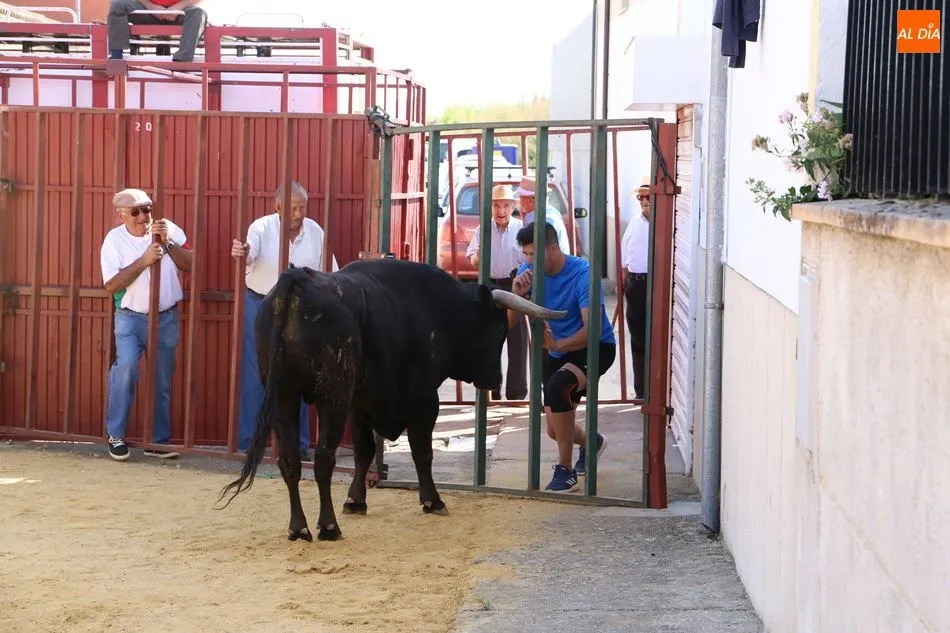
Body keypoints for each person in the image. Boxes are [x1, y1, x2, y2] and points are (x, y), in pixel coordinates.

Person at [231, 180, 339, 460]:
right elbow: (250, 253)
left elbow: (330, 272)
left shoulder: (315, 231)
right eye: (293, 208)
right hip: (261, 304)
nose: (298, 214)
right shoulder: (261, 227)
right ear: (277, 207)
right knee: (257, 374)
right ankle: (250, 444)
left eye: (302, 208)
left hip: (300, 310)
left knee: (299, 374)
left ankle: (297, 446)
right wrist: (243, 252)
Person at [511, 221, 616, 492]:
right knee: (554, 430)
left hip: (594, 347)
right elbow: (510, 322)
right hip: (556, 350)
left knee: (559, 386)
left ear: (554, 249)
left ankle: (565, 470)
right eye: (526, 254)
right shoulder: (527, 273)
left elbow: (592, 330)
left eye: (534, 254)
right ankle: (593, 442)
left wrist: (558, 343)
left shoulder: (582, 274)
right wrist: (516, 296)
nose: (529, 261)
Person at [100, 187, 193, 461]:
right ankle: (116, 434)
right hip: (130, 317)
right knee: (127, 368)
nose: (143, 216)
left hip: (166, 316)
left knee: (161, 378)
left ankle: (157, 441)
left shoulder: (167, 228)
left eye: (147, 209)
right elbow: (111, 284)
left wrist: (168, 243)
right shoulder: (114, 240)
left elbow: (190, 262)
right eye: (135, 212)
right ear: (121, 216)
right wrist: (144, 261)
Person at [466, 184, 528, 401]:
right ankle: (491, 392)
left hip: (514, 286)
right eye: (496, 206)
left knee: (517, 342)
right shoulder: (483, 229)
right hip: (490, 287)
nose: (501, 211)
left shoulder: (521, 229)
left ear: (513, 206)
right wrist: (478, 256)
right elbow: (472, 259)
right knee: (490, 340)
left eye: (505, 205)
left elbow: (530, 259)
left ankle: (516, 395)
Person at [620, 179, 651, 399]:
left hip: (656, 284)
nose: (644, 201)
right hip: (636, 284)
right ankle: (641, 390)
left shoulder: (665, 223)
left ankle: (655, 389)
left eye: (648, 196)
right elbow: (624, 256)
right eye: (641, 197)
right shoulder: (634, 223)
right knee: (638, 337)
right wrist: (624, 282)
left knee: (657, 337)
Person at [108, 0, 208, 63]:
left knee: (198, 12)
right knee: (117, 4)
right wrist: (151, 6)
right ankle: (116, 57)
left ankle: (182, 60)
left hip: (179, 13)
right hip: (148, 12)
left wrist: (177, 7)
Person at [514, 175, 571, 254]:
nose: (519, 201)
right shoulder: (548, 213)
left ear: (530, 200)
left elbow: (534, 251)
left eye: (521, 198)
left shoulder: (545, 220)